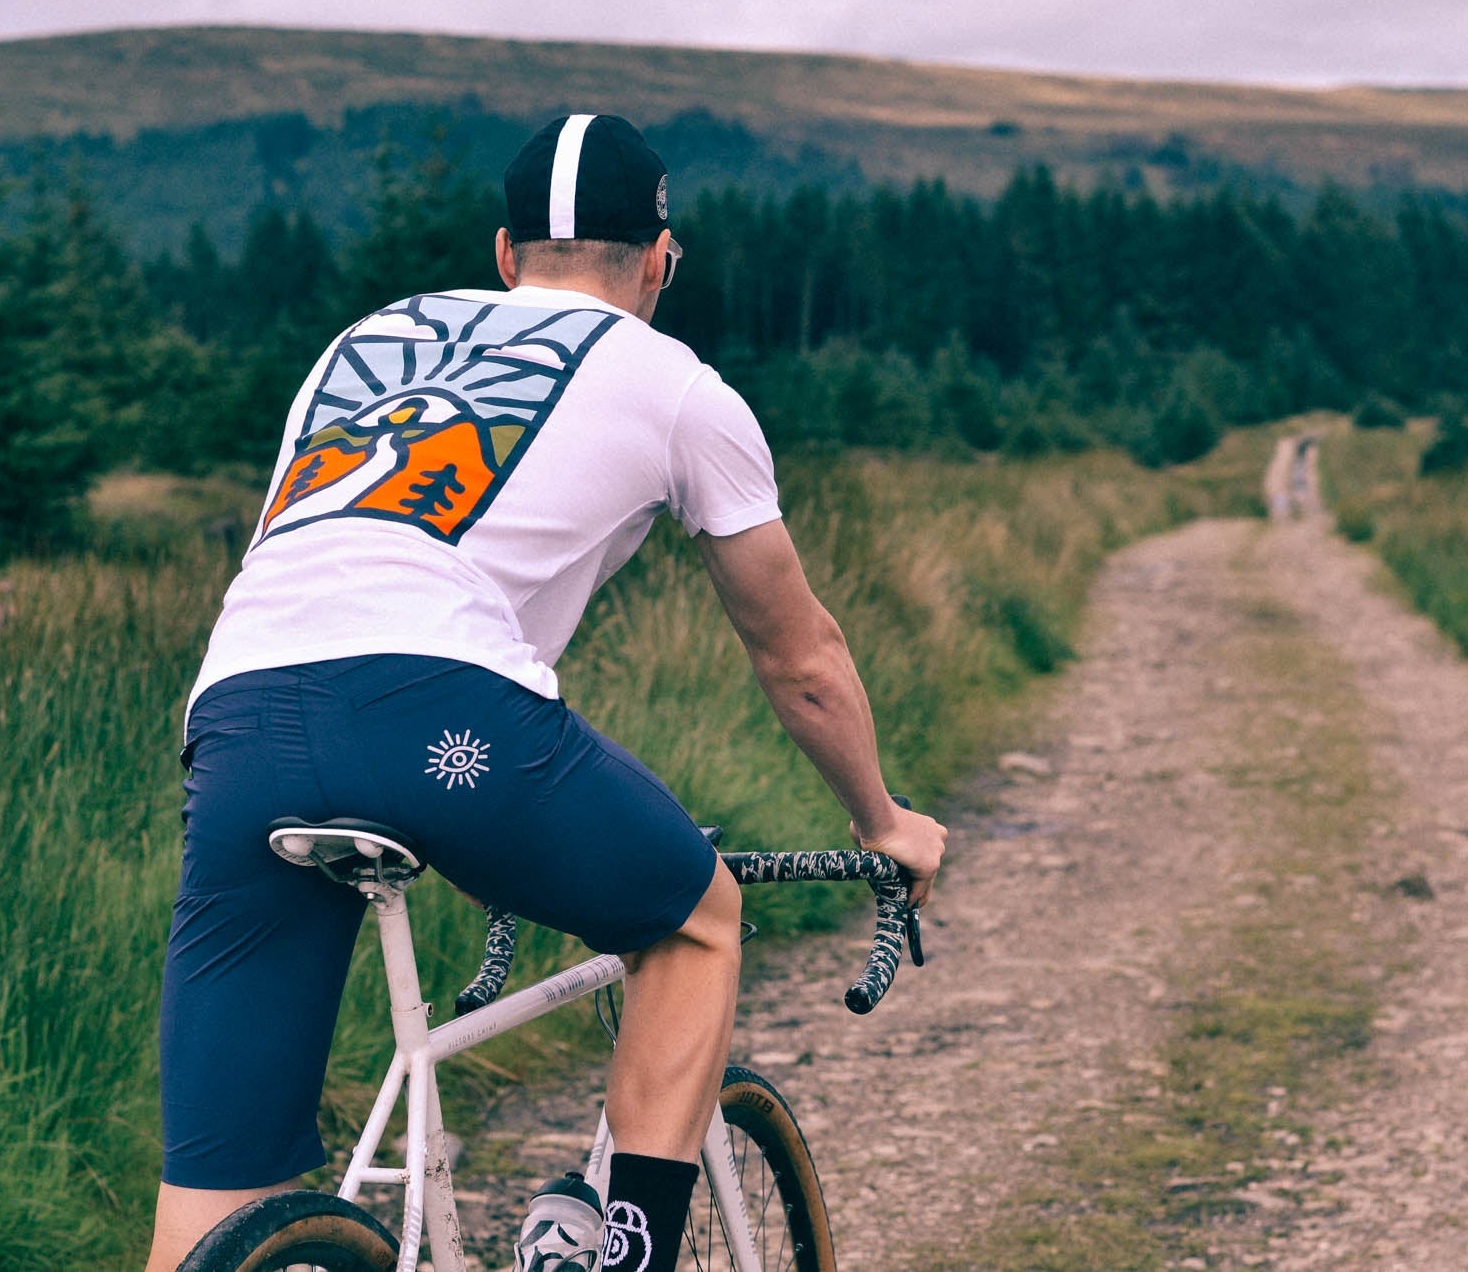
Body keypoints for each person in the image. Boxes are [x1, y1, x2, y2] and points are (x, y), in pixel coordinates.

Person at [145, 113, 947, 1272]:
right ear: (660, 259)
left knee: (212, 1211)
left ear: (507, 255)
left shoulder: (363, 340)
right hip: (442, 712)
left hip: (236, 724)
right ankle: (606, 1246)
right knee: (695, 919)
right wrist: (883, 820)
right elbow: (798, 657)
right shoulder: (676, 385)